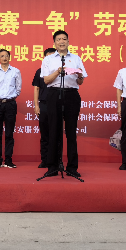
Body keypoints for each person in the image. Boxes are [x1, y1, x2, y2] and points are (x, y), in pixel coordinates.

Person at [40, 30, 87, 178]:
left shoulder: (76, 58)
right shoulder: (48, 60)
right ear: (54, 43)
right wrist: (57, 72)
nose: (62, 41)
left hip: (72, 95)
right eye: (59, 39)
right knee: (54, 130)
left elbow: (80, 81)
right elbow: (46, 80)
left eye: (64, 39)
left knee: (71, 132)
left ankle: (72, 167)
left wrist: (80, 76)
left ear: (68, 42)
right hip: (54, 94)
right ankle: (53, 167)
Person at [0, 49, 22, 168]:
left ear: (9, 57)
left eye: (6, 56)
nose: (4, 58)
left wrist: (10, 98)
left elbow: (18, 88)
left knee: (9, 133)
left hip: (10, 104)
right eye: (2, 56)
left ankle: (8, 160)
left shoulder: (16, 71)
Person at [33, 47, 56, 168]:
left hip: (56, 104)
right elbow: (36, 88)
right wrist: (36, 105)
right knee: (45, 134)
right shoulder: (39, 71)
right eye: (48, 56)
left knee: (56, 134)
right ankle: (45, 160)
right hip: (44, 104)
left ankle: (56, 160)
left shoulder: (59, 71)